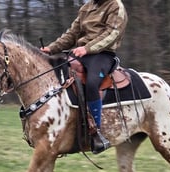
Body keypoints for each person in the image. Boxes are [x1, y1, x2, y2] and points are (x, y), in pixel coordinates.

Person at [41, 0, 128, 154]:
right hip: (80, 53)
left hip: (103, 55)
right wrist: (51, 48)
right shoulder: (86, 8)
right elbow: (72, 34)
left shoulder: (115, 5)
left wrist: (88, 48)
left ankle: (96, 133)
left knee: (92, 83)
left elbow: (113, 33)